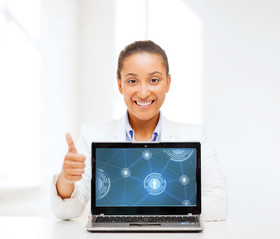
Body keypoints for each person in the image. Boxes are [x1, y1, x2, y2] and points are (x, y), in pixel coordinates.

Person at [51, 40, 227, 221]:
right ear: (120, 85)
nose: (143, 93)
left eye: (154, 80)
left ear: (167, 83)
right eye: (133, 81)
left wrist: (144, 214)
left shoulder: (195, 136)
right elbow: (67, 212)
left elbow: (219, 204)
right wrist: (66, 179)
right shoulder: (92, 135)